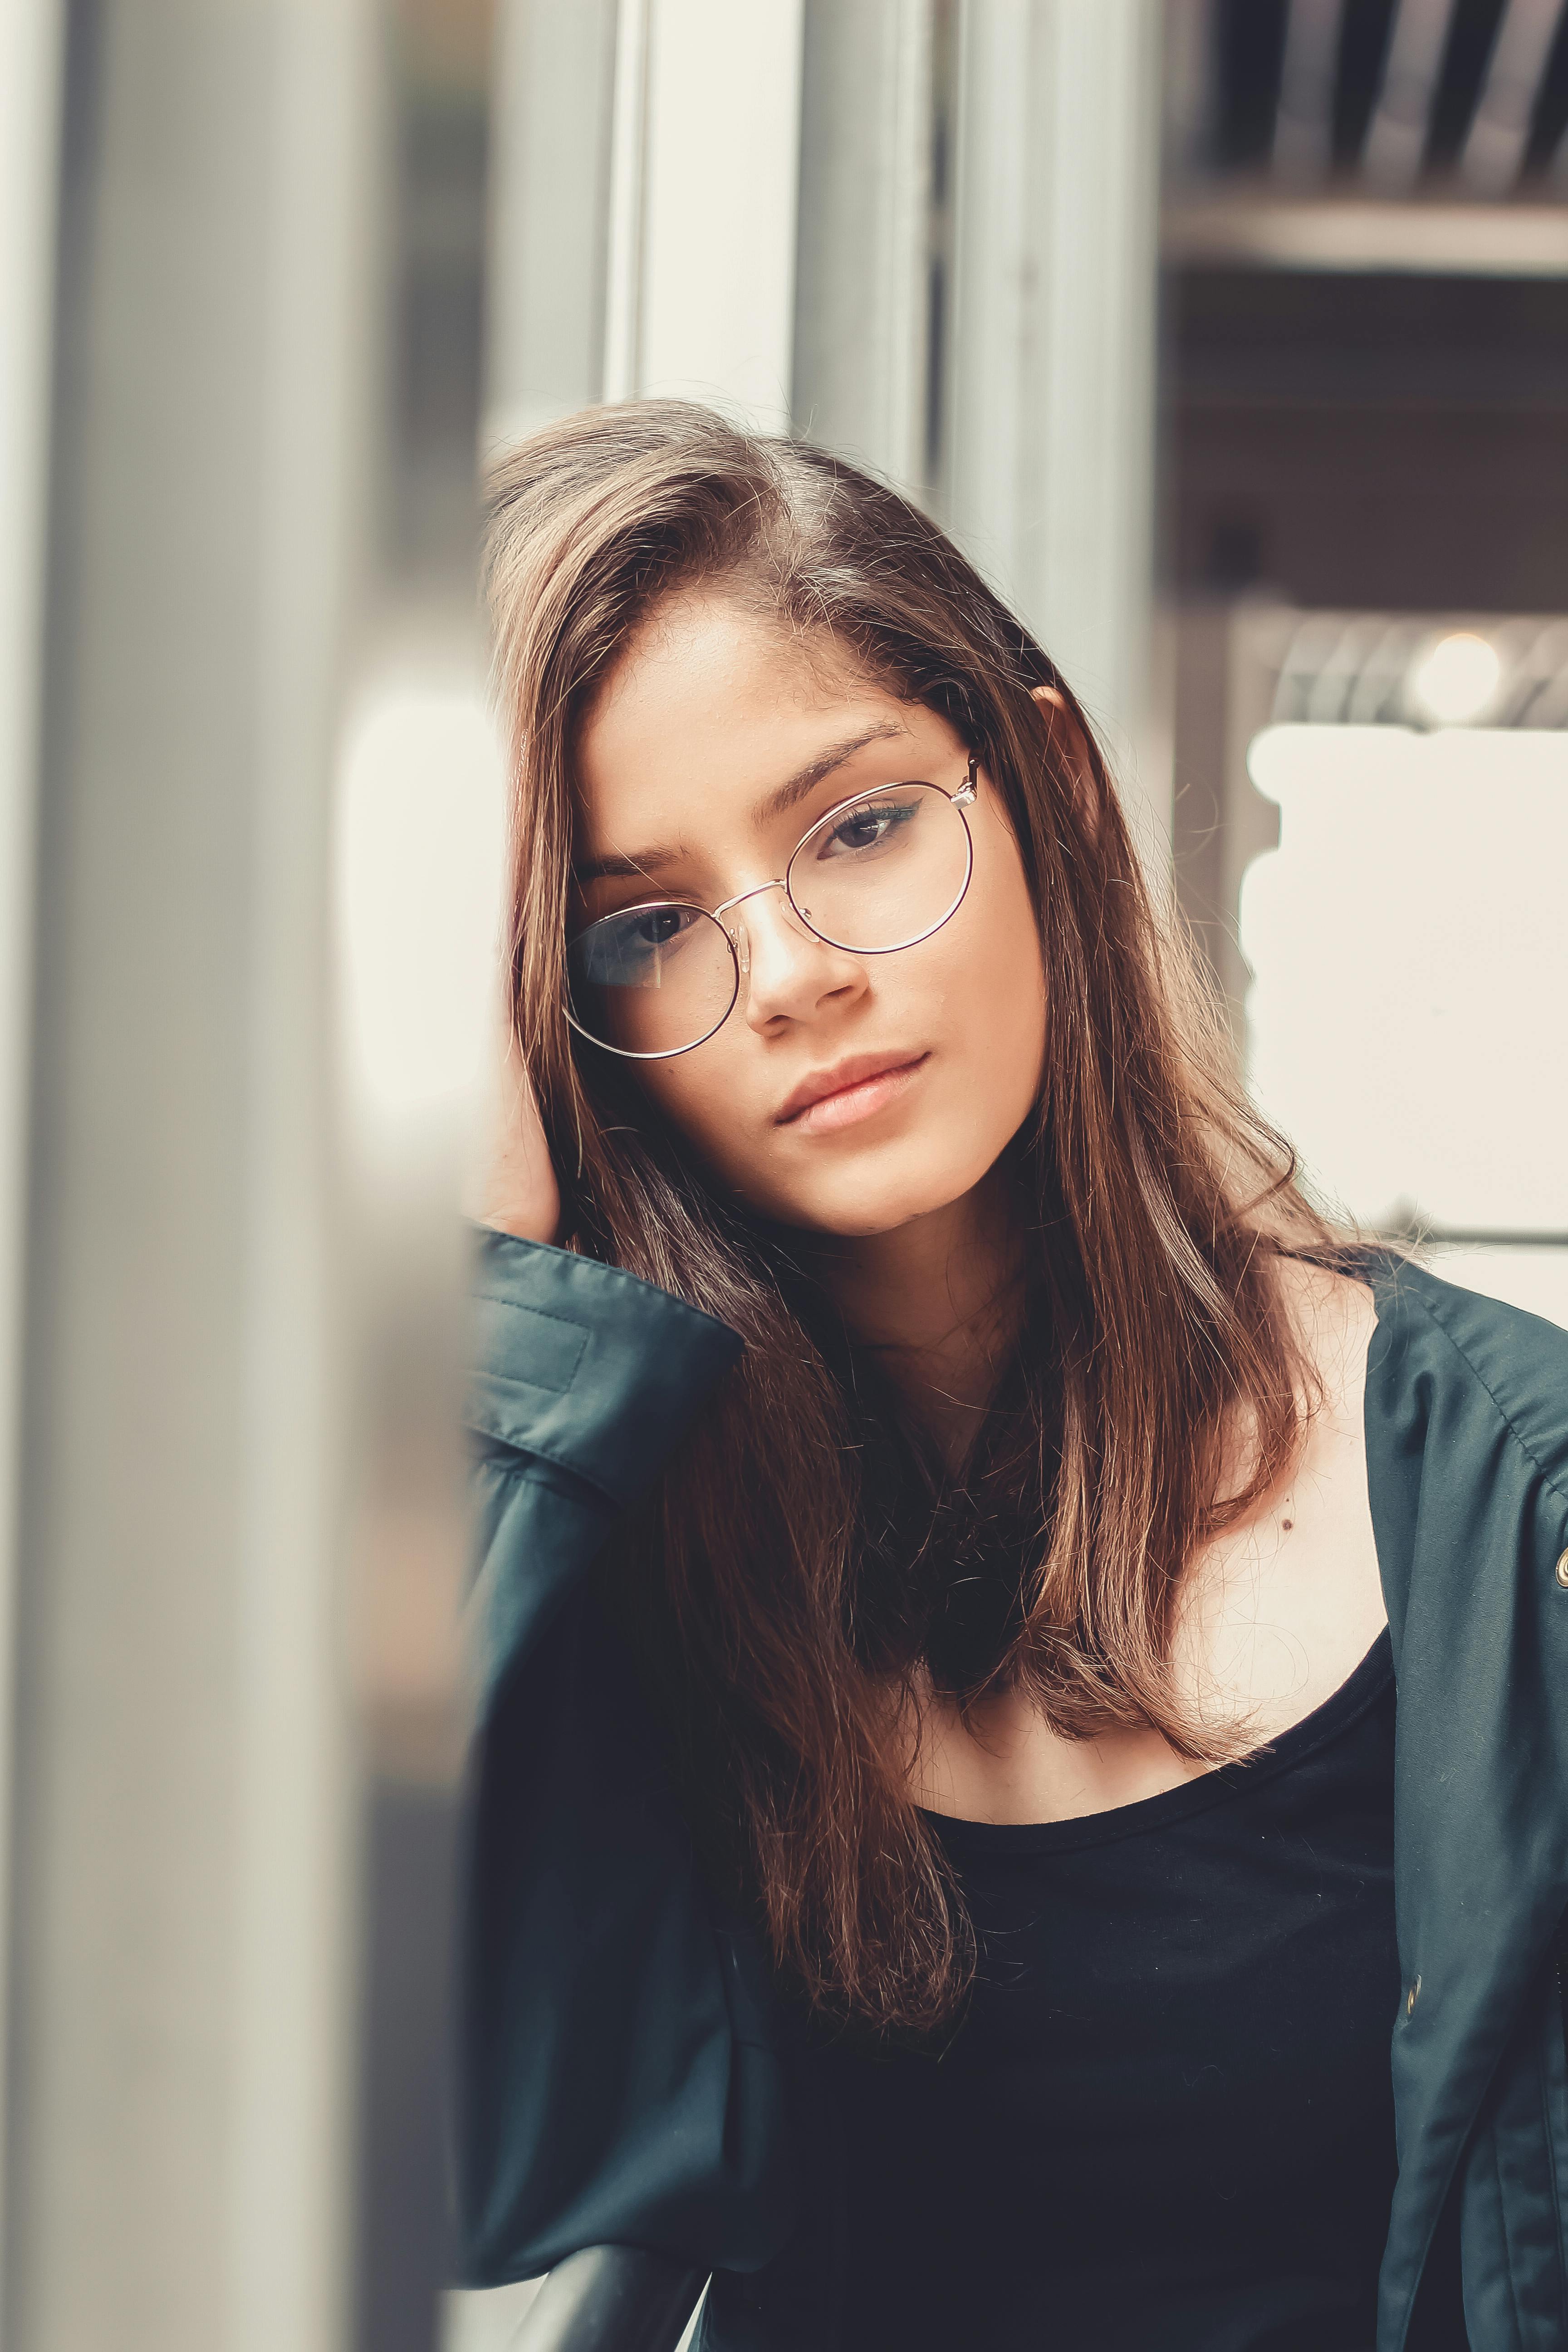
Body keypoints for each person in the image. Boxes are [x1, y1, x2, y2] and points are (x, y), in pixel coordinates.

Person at [458, 401, 1568, 2352]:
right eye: (645, 925)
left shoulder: (1512, 1513)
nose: (792, 970)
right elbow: (475, 2167)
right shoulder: (621, 1549)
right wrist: (482, 1278)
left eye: (863, 827)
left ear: (1045, 782)